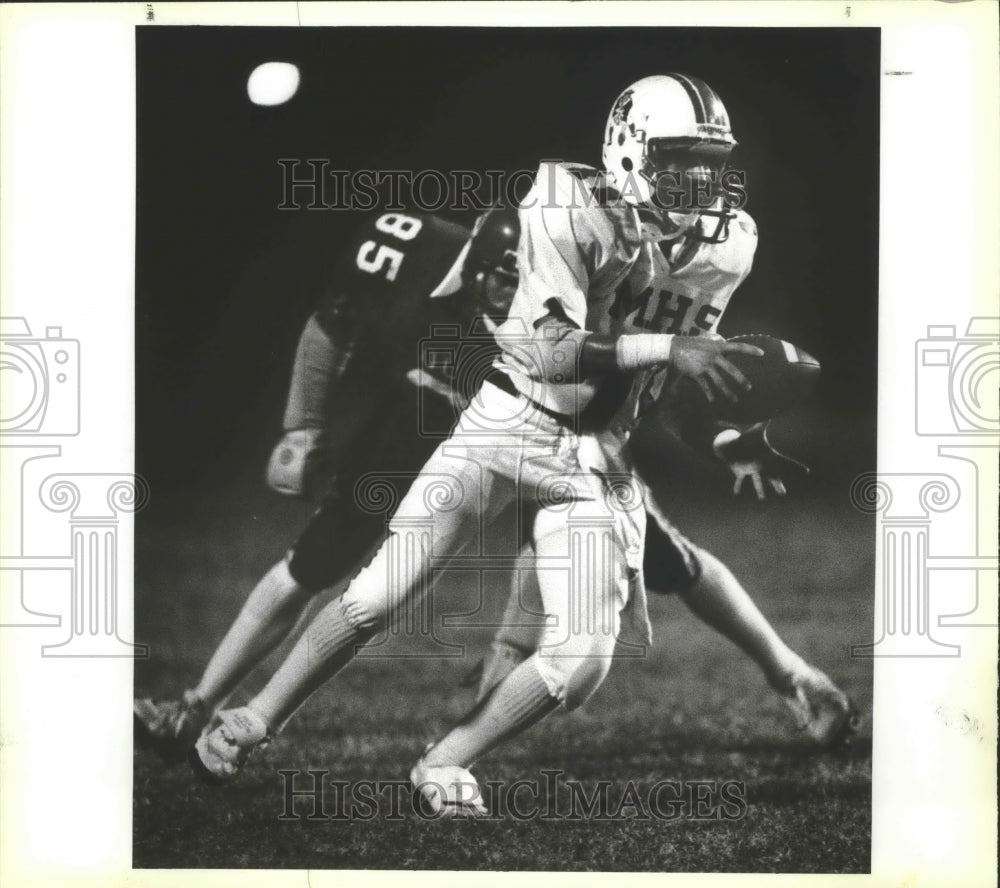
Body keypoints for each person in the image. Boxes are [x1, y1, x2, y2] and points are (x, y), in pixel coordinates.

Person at [187, 74, 855, 811]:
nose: (701, 180)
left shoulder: (726, 246)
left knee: (584, 659)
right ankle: (253, 718)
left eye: (711, 161)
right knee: (378, 596)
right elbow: (550, 351)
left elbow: (669, 383)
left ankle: (444, 763)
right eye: (679, 158)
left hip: (595, 455)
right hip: (508, 419)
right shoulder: (564, 203)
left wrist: (726, 436)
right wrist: (665, 347)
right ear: (629, 152)